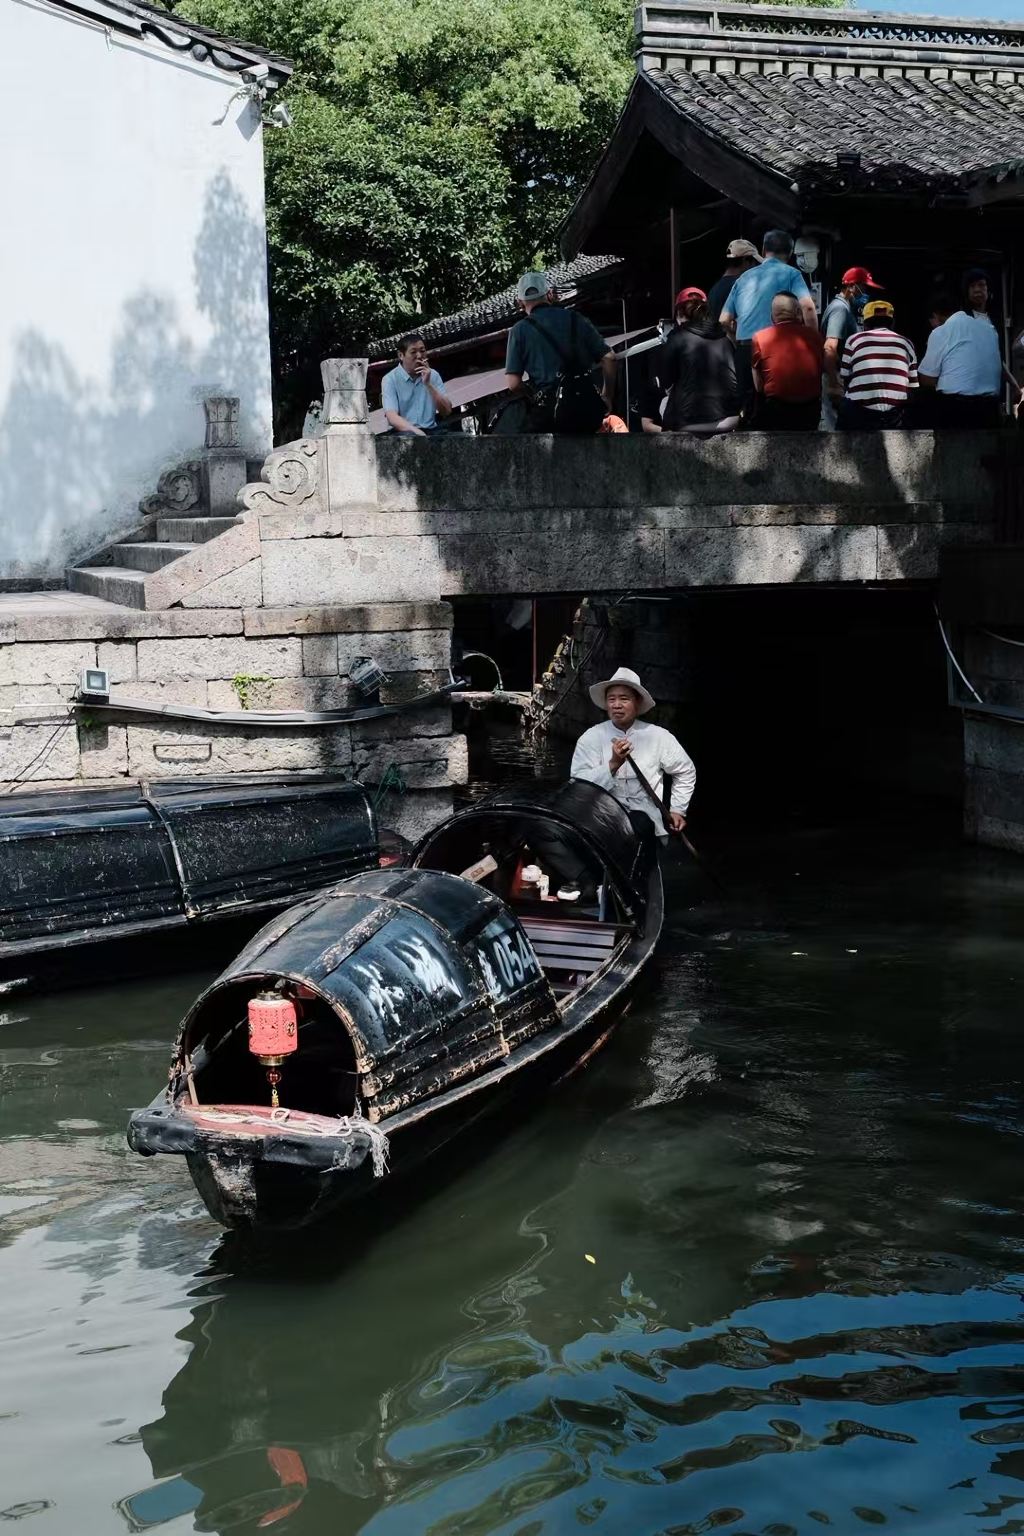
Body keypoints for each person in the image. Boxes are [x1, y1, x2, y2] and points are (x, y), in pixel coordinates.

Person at [571, 667, 696, 849]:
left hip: (646, 821)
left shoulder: (659, 736)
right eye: (611, 699)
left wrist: (678, 809)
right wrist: (613, 765)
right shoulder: (591, 737)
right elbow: (577, 785)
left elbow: (685, 771)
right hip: (601, 819)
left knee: (641, 824)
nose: (616, 705)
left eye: (624, 699)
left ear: (637, 703)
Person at [503, 271, 617, 433]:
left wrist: (534, 395)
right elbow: (609, 358)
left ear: (520, 302)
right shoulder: (576, 318)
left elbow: (513, 384)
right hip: (587, 409)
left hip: (550, 415)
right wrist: (607, 397)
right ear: (550, 294)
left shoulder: (519, 330)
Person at [720, 230, 818, 406]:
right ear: (790, 253)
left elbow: (724, 319)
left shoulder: (743, 278)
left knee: (747, 409)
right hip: (777, 349)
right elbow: (808, 308)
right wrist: (812, 341)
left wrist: (738, 340)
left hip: (745, 350)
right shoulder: (792, 274)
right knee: (778, 405)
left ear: (764, 249)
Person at [919, 288, 1004, 428]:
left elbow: (927, 379)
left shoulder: (941, 331)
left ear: (936, 315)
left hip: (957, 410)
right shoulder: (989, 329)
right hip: (991, 410)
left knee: (923, 398)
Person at [656, 288, 739, 431]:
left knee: (664, 403)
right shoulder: (724, 338)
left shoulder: (677, 337)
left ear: (679, 313)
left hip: (687, 421)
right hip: (728, 419)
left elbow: (665, 381)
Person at [837, 299, 918, 429]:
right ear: (892, 323)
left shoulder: (854, 340)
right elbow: (913, 385)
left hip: (860, 413)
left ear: (865, 323)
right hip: (895, 415)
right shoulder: (906, 343)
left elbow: (845, 376)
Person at [750, 293, 824, 430]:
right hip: (810, 411)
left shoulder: (759, 338)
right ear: (798, 312)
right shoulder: (816, 336)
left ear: (772, 315)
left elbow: (759, 386)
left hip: (776, 410)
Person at [821, 265, 882, 426]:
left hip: (840, 376)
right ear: (852, 286)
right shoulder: (840, 310)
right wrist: (834, 384)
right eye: (864, 287)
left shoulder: (846, 308)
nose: (866, 292)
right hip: (835, 376)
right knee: (835, 429)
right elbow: (829, 347)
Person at [381, 334, 453, 436]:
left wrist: (428, 384)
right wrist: (417, 432)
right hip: (404, 432)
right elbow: (392, 417)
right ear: (401, 355)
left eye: (422, 351)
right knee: (410, 437)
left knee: (463, 438)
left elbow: (446, 411)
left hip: (431, 430)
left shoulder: (433, 375)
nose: (419, 356)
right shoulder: (390, 379)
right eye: (413, 352)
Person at [707, 238, 762, 323]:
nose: (755, 268)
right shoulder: (741, 286)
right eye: (755, 263)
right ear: (746, 260)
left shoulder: (714, 290)